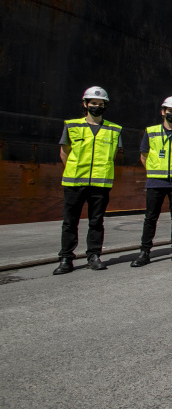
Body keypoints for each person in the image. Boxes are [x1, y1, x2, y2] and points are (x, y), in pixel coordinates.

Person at [53, 86, 123, 275]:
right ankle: (66, 258)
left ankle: (93, 256)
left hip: (100, 184)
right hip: (75, 183)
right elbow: (64, 152)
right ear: (85, 104)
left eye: (100, 104)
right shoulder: (72, 126)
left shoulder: (114, 129)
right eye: (93, 103)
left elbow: (113, 155)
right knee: (70, 222)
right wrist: (76, 171)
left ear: (105, 106)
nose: (96, 106)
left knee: (96, 221)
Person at [131, 96, 172, 268]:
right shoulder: (150, 132)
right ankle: (144, 252)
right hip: (155, 182)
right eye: (170, 111)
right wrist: (156, 171)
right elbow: (144, 156)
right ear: (163, 112)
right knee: (150, 218)